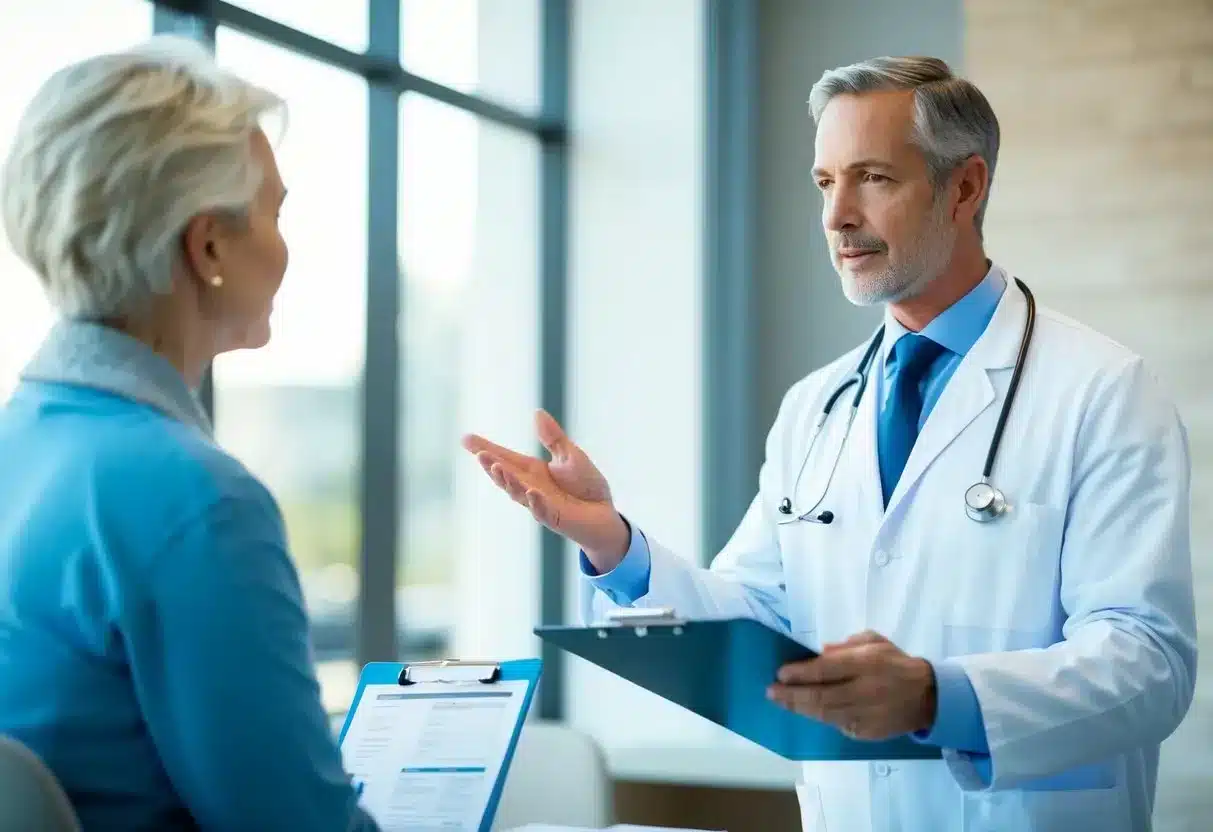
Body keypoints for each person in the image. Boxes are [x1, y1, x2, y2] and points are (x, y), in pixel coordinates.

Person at [463, 56, 1197, 832]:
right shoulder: (816, 405)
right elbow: (753, 619)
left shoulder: (1102, 389)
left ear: (965, 188)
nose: (836, 215)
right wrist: (614, 544)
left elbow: (1147, 664)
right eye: (823, 183)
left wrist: (933, 697)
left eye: (872, 178)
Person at [0, 37, 378, 830]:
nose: (285, 245)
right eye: (275, 212)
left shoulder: (21, 452)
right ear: (207, 245)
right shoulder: (194, 499)